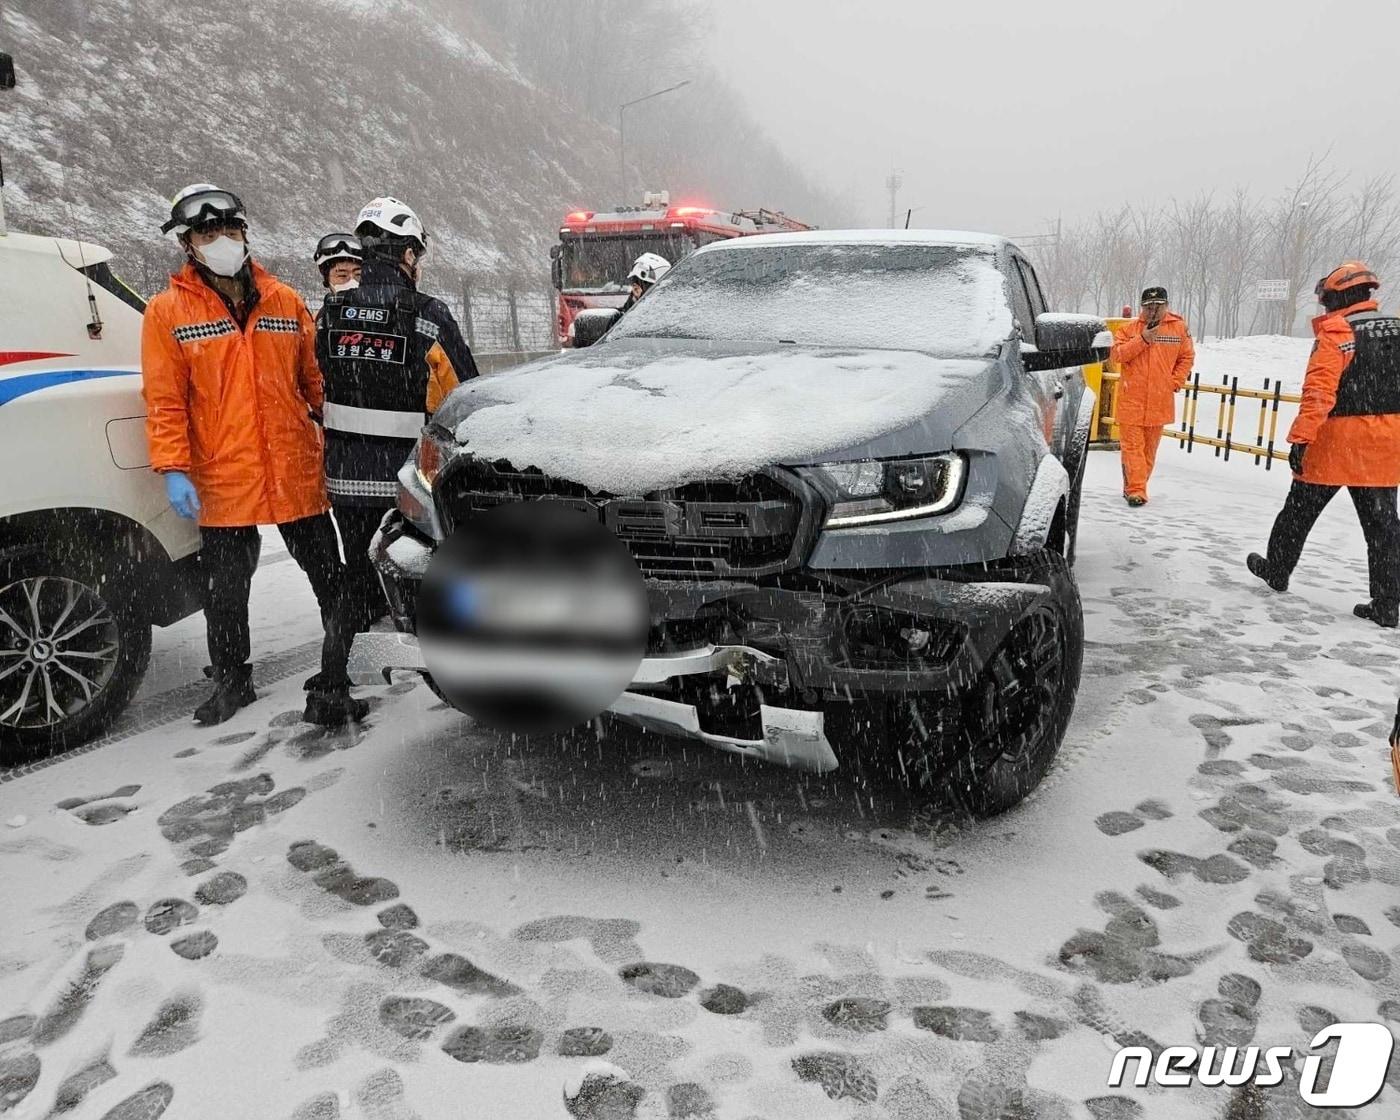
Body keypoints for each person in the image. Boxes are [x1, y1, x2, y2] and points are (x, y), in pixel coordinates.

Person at [142, 184, 367, 727]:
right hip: (223, 473)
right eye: (206, 232)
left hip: (294, 465)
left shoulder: (285, 301)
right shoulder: (167, 312)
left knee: (329, 575)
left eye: (229, 229)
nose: (221, 240)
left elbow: (315, 382)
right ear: (188, 245)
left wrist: (345, 434)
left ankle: (339, 669)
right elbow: (165, 399)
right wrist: (173, 468)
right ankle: (232, 682)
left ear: (245, 232)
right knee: (225, 591)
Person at [315, 196, 478, 631]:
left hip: (345, 476)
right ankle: (454, 660)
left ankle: (333, 682)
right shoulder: (426, 314)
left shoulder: (329, 313)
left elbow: (319, 384)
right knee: (428, 569)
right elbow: (464, 394)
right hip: (405, 478)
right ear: (407, 253)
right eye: (415, 253)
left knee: (357, 574)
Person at [1247, 262, 1400, 628]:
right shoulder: (1397, 330)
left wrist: (1301, 439)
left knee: (1298, 512)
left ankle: (1278, 569)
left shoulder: (1337, 333)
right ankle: (1387, 603)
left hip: (1336, 443)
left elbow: (1318, 393)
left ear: (1340, 296)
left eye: (1326, 298)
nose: (1324, 306)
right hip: (1386, 444)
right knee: (1383, 528)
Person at [1108, 286, 1195, 506]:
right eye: (1148, 307)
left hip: (1160, 400)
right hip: (1132, 401)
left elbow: (1186, 357)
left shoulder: (1178, 328)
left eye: (1158, 306)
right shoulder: (1128, 330)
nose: (1153, 311)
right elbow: (1117, 354)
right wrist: (1143, 339)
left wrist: (1174, 382)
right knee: (1132, 449)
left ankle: (1135, 486)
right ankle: (1137, 490)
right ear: (1142, 308)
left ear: (1166, 305)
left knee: (1148, 452)